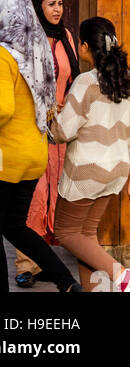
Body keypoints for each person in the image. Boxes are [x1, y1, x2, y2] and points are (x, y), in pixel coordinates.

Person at [0, 0, 82, 294]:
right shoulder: (39, 54)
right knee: (15, 226)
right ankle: (66, 283)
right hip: (35, 153)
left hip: (3, 157)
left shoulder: (1, 56)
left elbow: (2, 109)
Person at [51, 16, 130, 292]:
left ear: (84, 46)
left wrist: (51, 117)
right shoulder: (125, 79)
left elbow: (62, 131)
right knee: (86, 237)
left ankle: (121, 276)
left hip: (87, 171)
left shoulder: (86, 81)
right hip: (117, 170)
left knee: (66, 233)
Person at [14, 0, 79, 287]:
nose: (58, 9)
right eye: (51, 4)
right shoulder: (26, 39)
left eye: (61, 4)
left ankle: (46, 260)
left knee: (58, 191)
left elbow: (74, 77)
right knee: (35, 194)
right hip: (33, 126)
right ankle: (25, 262)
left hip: (62, 128)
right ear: (38, 6)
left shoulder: (66, 36)